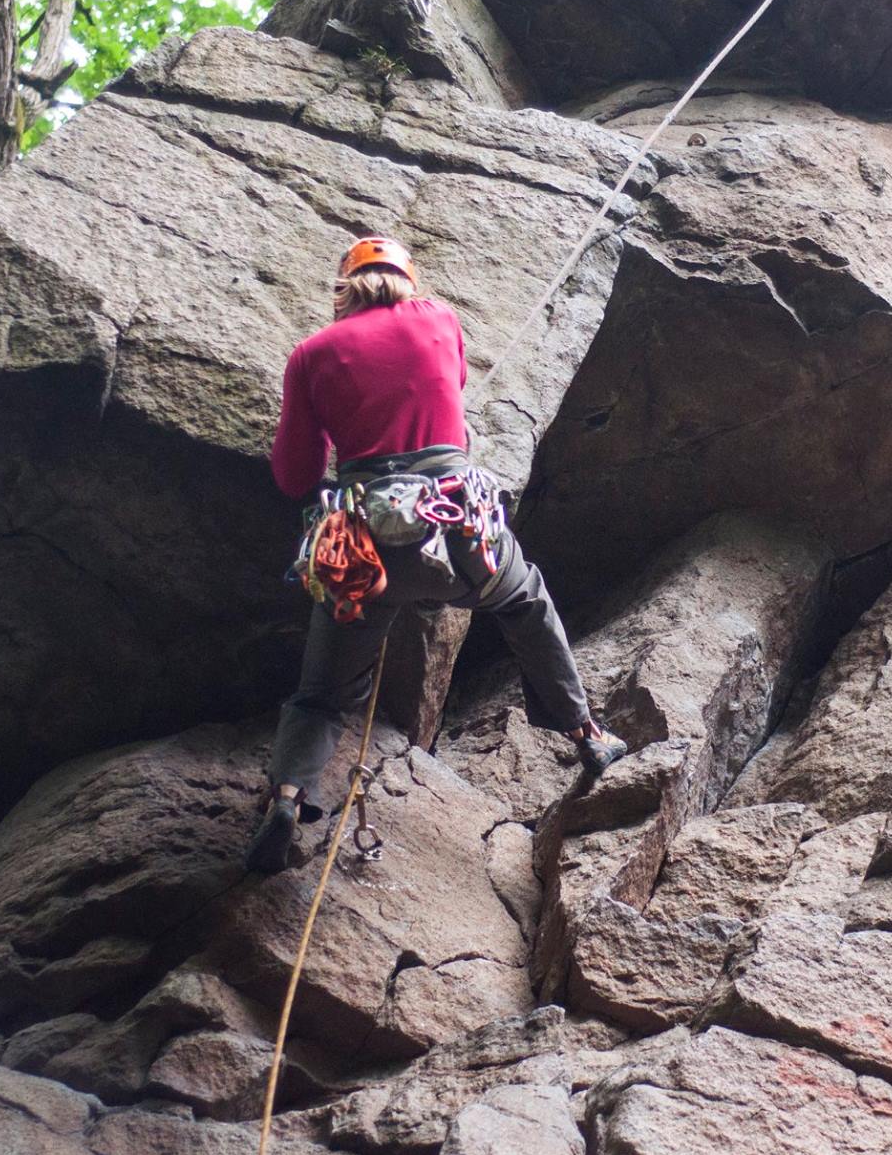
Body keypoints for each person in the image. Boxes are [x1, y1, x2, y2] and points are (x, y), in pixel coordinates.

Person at [245, 235, 630, 874]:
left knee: (322, 693)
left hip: (365, 548)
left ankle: (286, 799)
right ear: (407, 281)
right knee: (524, 599)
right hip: (456, 529)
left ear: (344, 291)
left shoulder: (313, 354)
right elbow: (449, 385)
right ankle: (586, 735)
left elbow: (294, 475)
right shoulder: (439, 319)